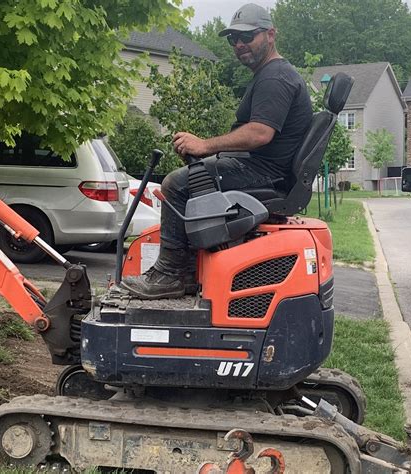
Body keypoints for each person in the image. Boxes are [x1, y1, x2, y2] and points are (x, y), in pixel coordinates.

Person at [121, 3, 313, 299]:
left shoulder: (275, 77)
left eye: (247, 37)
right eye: (233, 39)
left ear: (271, 35)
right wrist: (205, 156)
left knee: (176, 184)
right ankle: (184, 272)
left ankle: (171, 274)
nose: (239, 44)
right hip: (260, 169)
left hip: (264, 175)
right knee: (191, 175)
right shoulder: (270, 75)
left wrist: (205, 145)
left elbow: (260, 134)